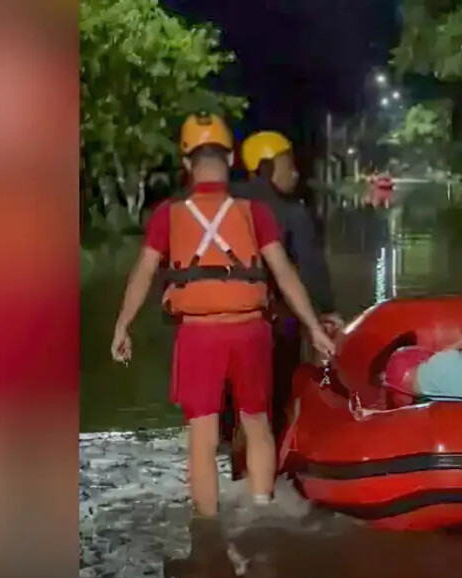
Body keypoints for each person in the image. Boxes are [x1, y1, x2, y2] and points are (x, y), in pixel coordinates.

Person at [109, 112, 336, 519]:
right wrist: (314, 327)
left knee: (203, 435)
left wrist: (123, 325)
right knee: (257, 424)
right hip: (251, 332)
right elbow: (284, 273)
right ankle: (262, 512)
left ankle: (209, 528)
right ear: (231, 159)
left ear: (186, 162)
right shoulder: (255, 212)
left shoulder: (167, 215)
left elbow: (143, 274)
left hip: (198, 335)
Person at [229, 129, 343, 441]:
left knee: (227, 411)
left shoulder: (222, 206)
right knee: (276, 403)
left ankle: (229, 453)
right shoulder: (292, 212)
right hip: (274, 324)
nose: (295, 173)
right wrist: (325, 313)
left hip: (218, 324)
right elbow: (312, 270)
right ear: (266, 168)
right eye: (287, 164)